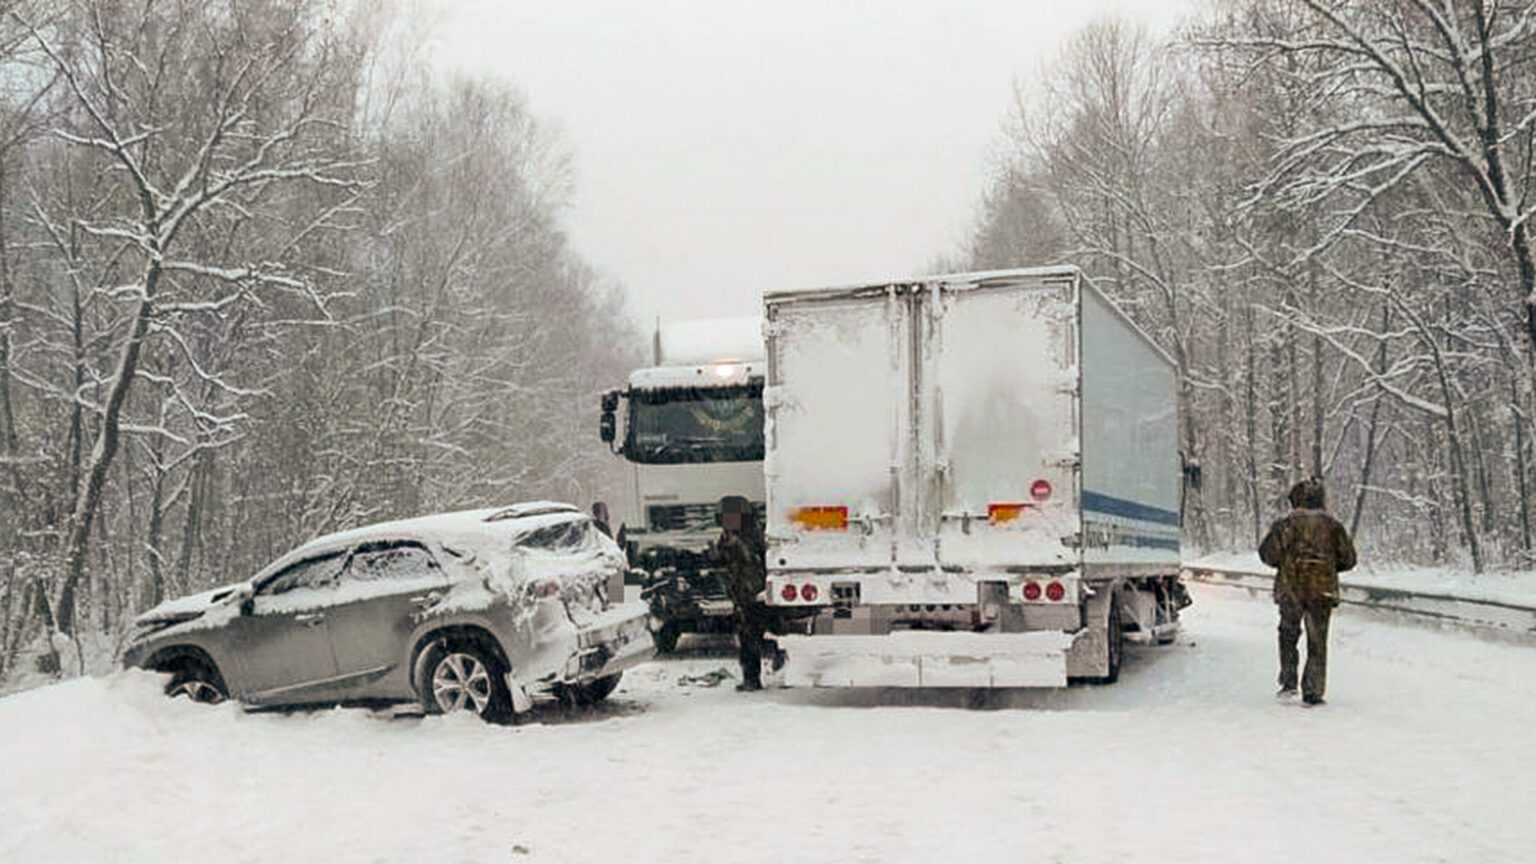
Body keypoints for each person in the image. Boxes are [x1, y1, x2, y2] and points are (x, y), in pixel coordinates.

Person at [1259, 478, 1357, 706]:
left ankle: (1288, 682)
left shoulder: (1285, 524)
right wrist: (1327, 567)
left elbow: (1267, 554)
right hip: (1321, 592)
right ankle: (1313, 691)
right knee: (1317, 641)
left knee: (1288, 635)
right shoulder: (1333, 526)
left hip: (1291, 589)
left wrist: (1287, 564)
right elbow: (1349, 559)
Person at [714, 495, 769, 691]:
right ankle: (751, 678)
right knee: (747, 637)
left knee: (750, 637)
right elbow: (721, 560)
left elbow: (753, 560)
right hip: (743, 594)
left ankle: (752, 679)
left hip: (754, 594)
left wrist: (736, 546)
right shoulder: (730, 536)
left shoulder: (754, 535)